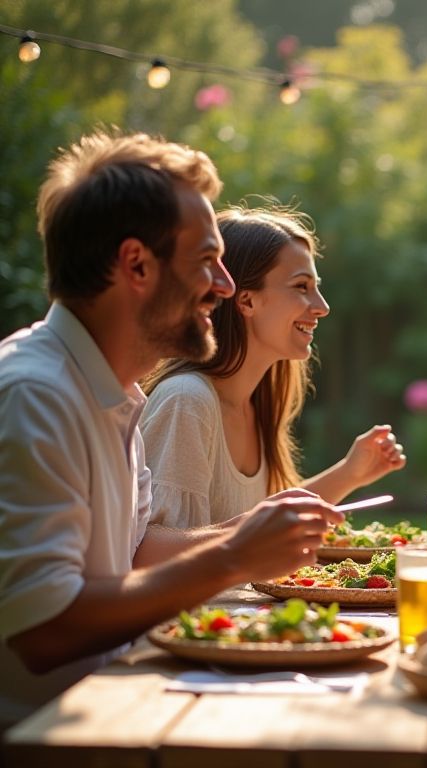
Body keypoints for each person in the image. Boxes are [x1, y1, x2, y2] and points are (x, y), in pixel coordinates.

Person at [0, 130, 342, 730]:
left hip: (118, 713)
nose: (226, 285)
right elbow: (43, 630)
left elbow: (133, 560)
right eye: (206, 260)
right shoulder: (35, 395)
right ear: (136, 265)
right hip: (45, 739)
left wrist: (247, 539)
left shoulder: (115, 396)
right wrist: (234, 555)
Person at [140, 205, 405, 528]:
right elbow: (148, 552)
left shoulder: (257, 404)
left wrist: (350, 473)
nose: (322, 307)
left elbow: (260, 519)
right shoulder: (187, 401)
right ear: (247, 300)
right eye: (301, 287)